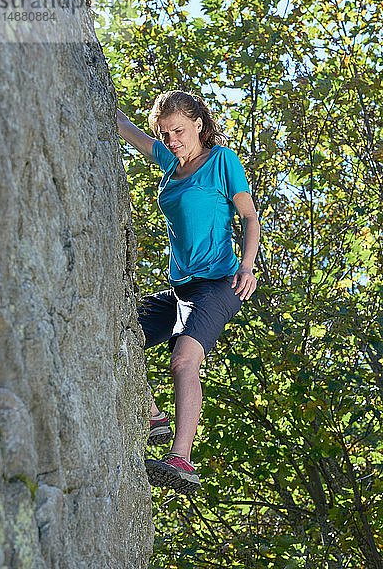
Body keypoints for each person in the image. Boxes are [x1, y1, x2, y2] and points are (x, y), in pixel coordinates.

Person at [117, 90, 260, 495]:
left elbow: (249, 217)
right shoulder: (168, 160)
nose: (172, 140)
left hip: (221, 283)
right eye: (164, 134)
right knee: (119, 332)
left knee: (183, 360)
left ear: (198, 123)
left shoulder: (221, 161)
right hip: (180, 289)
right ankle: (152, 416)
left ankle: (181, 458)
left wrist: (247, 266)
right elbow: (125, 128)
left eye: (178, 131)